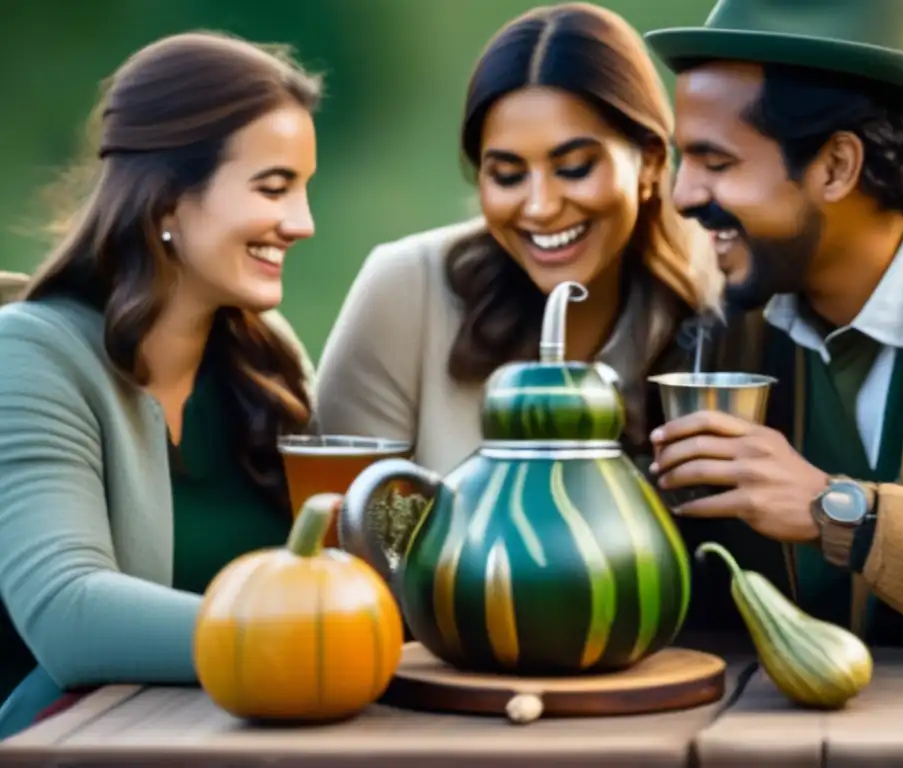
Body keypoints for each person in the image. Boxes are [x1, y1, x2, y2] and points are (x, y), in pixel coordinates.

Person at [643, 0, 903, 653]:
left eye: (716, 161)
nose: (682, 196)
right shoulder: (722, 297)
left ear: (837, 166)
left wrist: (838, 512)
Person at [0, 31, 320, 738]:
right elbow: (68, 614)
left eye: (304, 189)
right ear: (169, 200)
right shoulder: (33, 355)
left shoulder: (271, 360)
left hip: (258, 737)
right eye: (273, 188)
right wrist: (305, 635)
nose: (302, 223)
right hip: (76, 743)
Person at [315, 3, 722, 484]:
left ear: (651, 162)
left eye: (574, 168)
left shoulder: (719, 296)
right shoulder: (406, 290)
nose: (540, 206)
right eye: (507, 176)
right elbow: (338, 530)